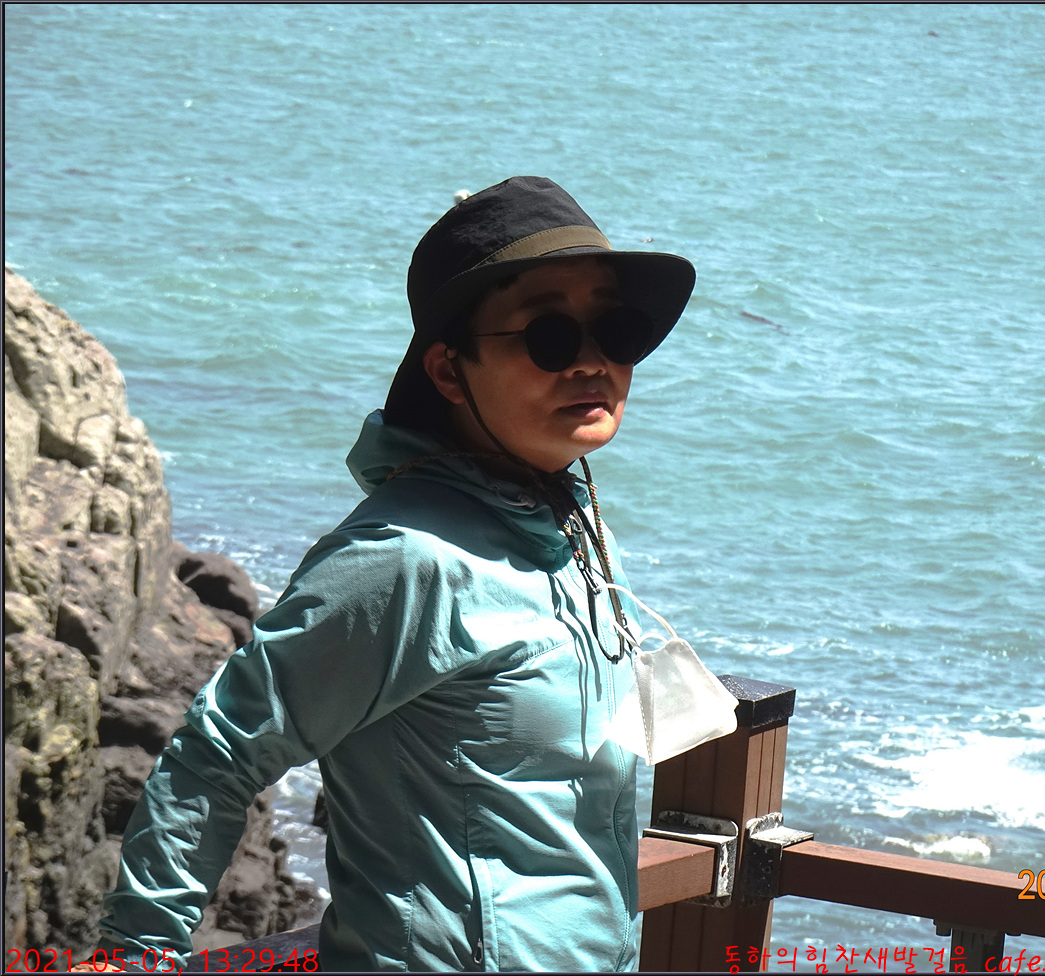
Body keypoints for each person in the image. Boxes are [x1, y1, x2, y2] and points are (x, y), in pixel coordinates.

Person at [93, 176, 695, 972]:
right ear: (448, 371)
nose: (591, 361)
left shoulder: (576, 530)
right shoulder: (404, 559)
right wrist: (138, 951)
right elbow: (222, 749)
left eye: (615, 329)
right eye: (548, 334)